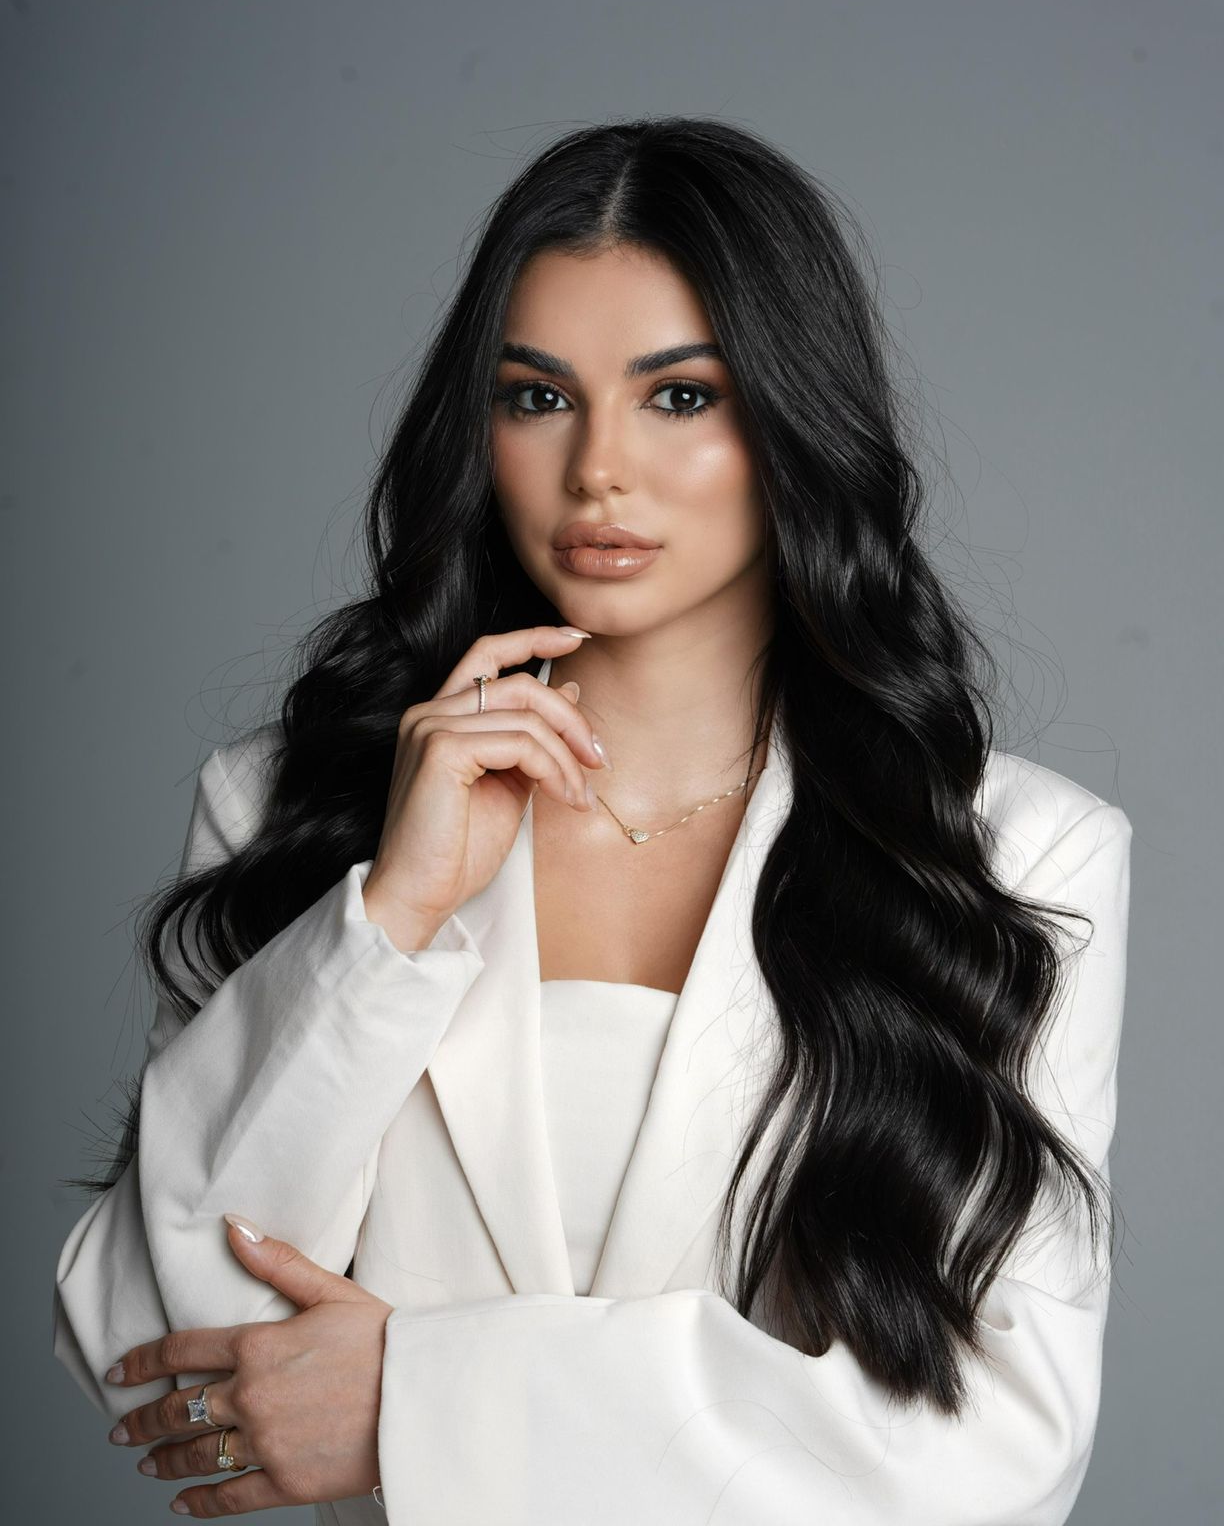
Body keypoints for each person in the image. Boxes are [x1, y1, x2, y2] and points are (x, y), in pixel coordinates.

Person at [52, 117, 1132, 1525]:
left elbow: (994, 1450)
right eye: (537, 398)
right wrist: (389, 924)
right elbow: (151, 1349)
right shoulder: (289, 806)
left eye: (679, 398)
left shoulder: (1017, 856)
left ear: (794, 420)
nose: (597, 471)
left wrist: (417, 1402)